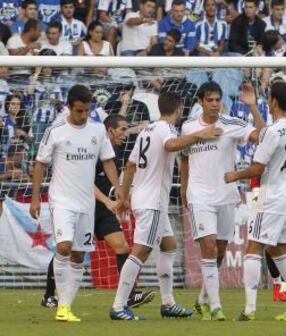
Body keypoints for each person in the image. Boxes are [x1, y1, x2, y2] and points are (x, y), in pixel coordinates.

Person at [110, 92, 222, 320]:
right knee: (141, 251)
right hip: (152, 201)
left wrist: (124, 195)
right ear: (179, 109)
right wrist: (201, 133)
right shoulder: (167, 130)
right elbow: (171, 145)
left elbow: (130, 166)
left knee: (169, 245)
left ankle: (168, 302)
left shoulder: (146, 130)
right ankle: (119, 306)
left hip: (145, 197)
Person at [40, 114, 155, 309]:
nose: (126, 134)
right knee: (65, 248)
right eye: (123, 129)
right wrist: (108, 200)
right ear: (110, 131)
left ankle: (129, 295)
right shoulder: (91, 149)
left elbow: (108, 182)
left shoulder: (113, 154)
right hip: (83, 204)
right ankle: (49, 295)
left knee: (122, 247)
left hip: (101, 209)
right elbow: (85, 182)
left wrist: (121, 196)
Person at [30, 85, 119, 322]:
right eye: (79, 111)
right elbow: (40, 163)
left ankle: (66, 306)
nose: (83, 116)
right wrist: (36, 197)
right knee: (64, 247)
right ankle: (60, 303)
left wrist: (119, 189)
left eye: (87, 111)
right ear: (69, 106)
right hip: (61, 201)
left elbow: (108, 161)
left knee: (79, 256)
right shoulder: (56, 131)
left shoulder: (98, 130)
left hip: (86, 204)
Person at [224, 81, 286, 321]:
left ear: (273, 101)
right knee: (278, 249)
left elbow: (258, 168)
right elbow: (267, 136)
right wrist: (253, 108)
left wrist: (234, 175)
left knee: (253, 248)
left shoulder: (274, 131)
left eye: (268, 98)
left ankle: (250, 310)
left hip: (271, 197)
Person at [180, 81, 265, 321]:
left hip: (226, 195)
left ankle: (203, 299)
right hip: (199, 195)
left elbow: (262, 135)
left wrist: (252, 107)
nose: (215, 104)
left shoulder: (232, 124)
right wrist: (185, 190)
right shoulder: (189, 127)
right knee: (207, 246)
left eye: (218, 99)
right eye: (210, 100)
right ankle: (215, 307)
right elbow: (184, 159)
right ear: (200, 102)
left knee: (219, 251)